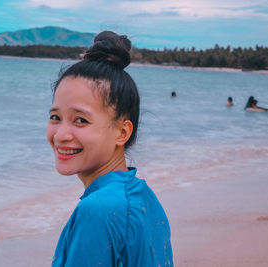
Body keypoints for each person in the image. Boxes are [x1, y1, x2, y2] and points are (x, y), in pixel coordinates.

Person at [47, 31, 173, 267]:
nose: (61, 135)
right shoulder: (144, 197)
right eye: (55, 117)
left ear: (122, 132)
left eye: (81, 120)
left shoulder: (97, 210)